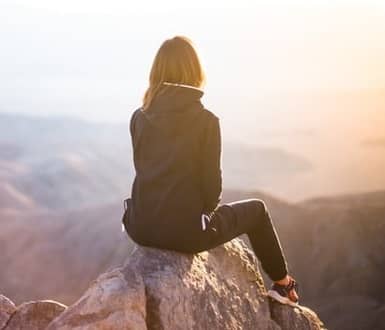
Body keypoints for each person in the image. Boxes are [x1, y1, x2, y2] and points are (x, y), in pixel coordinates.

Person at [123, 35, 299, 306]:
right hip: (186, 234)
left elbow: (143, 169)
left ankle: (283, 284)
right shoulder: (205, 121)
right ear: (195, 72)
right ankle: (283, 285)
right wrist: (202, 215)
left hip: (139, 226)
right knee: (258, 210)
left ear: (156, 72)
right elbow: (212, 191)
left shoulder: (138, 116)